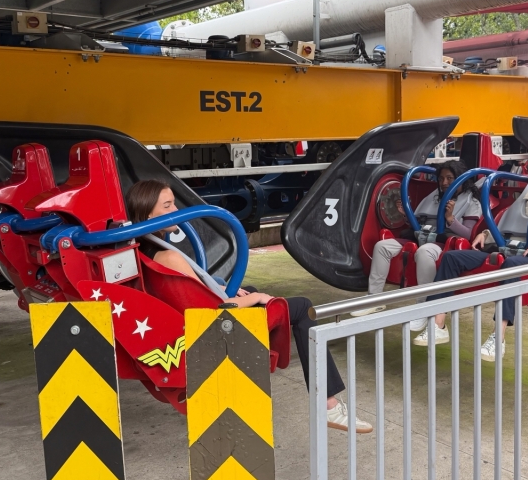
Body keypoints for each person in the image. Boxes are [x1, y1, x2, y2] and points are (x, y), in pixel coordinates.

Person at [125, 179, 372, 434]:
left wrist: (227, 288)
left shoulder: (147, 251)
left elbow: (193, 292)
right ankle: (329, 406)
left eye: (174, 204)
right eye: (167, 206)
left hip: (201, 317)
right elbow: (215, 308)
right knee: (301, 308)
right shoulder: (170, 257)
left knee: (249, 289)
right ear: (147, 214)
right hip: (216, 325)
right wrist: (255, 299)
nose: (176, 211)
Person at [420, 154, 528, 361]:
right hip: (505, 249)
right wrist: (485, 234)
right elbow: (504, 225)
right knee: (451, 258)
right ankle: (438, 324)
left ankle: (498, 337)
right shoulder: (522, 200)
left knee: (511, 265)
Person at [354, 161, 482, 346]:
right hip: (421, 237)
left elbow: (469, 234)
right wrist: (406, 214)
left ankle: (424, 306)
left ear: (461, 180)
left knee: (424, 252)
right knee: (382, 246)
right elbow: (418, 223)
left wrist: (450, 219)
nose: (445, 182)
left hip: (444, 243)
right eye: (441, 179)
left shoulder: (471, 202)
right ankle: (374, 299)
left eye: (450, 178)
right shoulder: (433, 197)